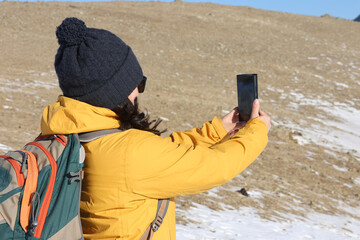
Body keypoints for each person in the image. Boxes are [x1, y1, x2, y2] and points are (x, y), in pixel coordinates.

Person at [41, 17, 271, 239]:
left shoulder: (60, 137)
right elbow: (213, 166)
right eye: (137, 84)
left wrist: (219, 129)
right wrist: (256, 130)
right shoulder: (130, 152)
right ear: (113, 92)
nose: (138, 92)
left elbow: (163, 152)